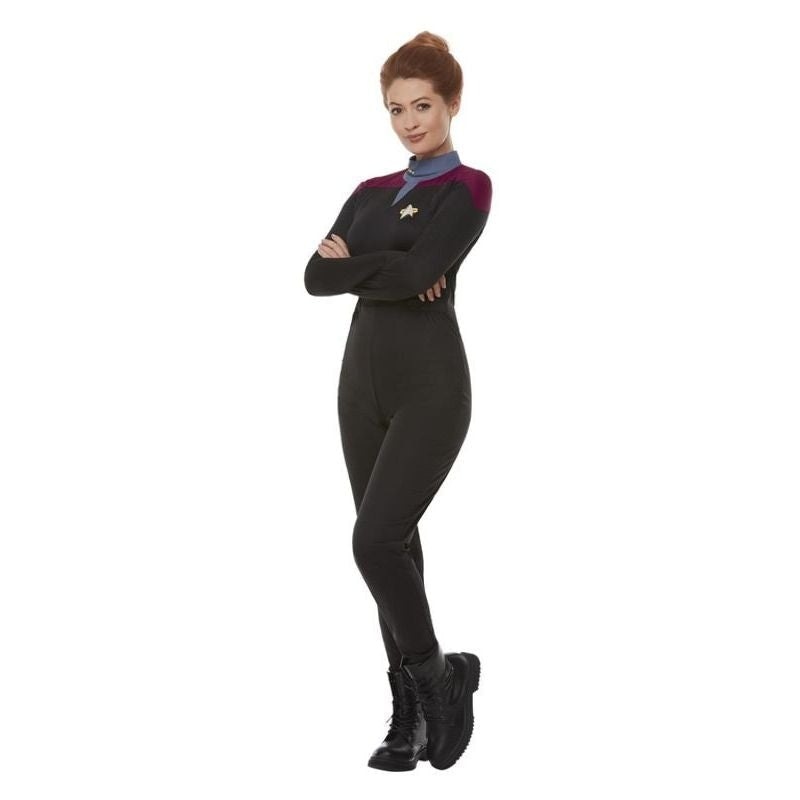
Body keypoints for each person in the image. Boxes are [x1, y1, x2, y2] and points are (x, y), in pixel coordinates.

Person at [303, 31, 492, 771]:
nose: (409, 121)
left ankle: (441, 679)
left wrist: (364, 264)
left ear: (452, 103)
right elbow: (313, 278)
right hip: (360, 387)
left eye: (422, 105)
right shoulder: (369, 192)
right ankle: (408, 713)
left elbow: (412, 276)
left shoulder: (468, 187)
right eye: (395, 109)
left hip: (431, 387)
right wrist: (403, 267)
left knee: (372, 541)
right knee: (395, 547)